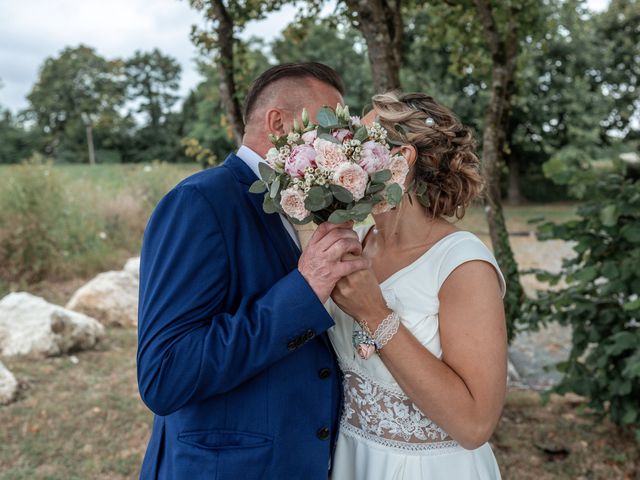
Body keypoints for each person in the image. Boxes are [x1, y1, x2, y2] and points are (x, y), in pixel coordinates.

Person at [136, 63, 370, 479]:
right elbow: (165, 374)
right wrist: (304, 288)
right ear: (278, 122)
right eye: (329, 126)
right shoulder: (200, 203)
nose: (340, 142)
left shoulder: (301, 203)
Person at [327, 91, 508, 479]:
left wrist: (375, 315)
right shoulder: (354, 240)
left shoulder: (461, 263)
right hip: (353, 459)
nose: (345, 152)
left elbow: (475, 425)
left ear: (400, 160)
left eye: (360, 142)